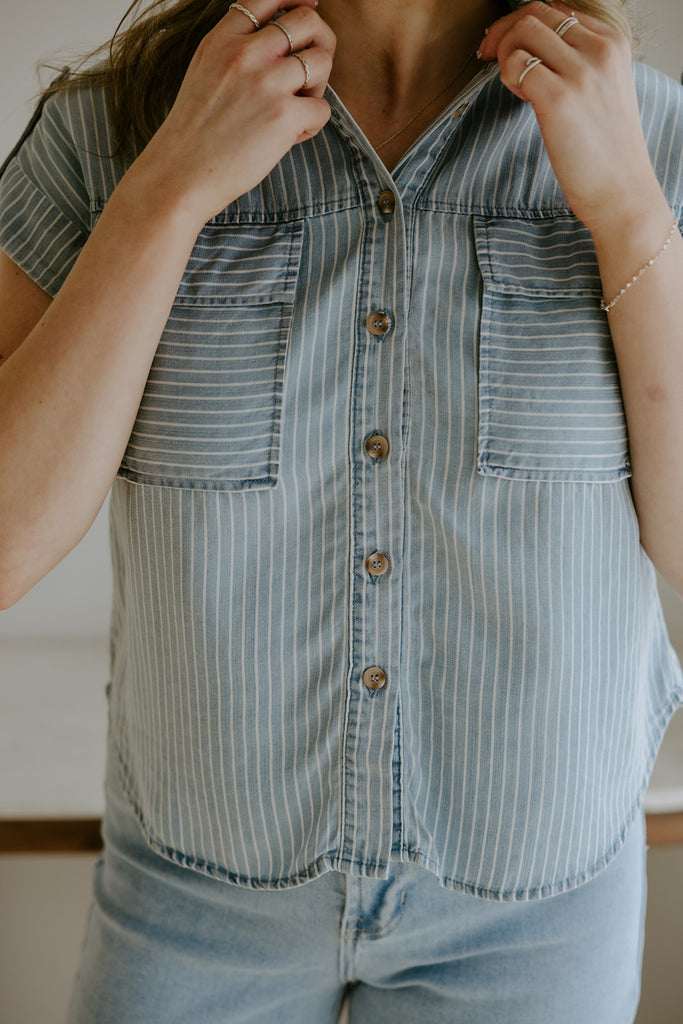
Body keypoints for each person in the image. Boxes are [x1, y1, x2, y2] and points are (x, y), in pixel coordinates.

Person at [1, 0, 682, 1020]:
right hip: (190, 901)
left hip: (537, 921)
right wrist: (167, 191)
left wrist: (631, 211)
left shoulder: (653, 134)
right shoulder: (111, 135)